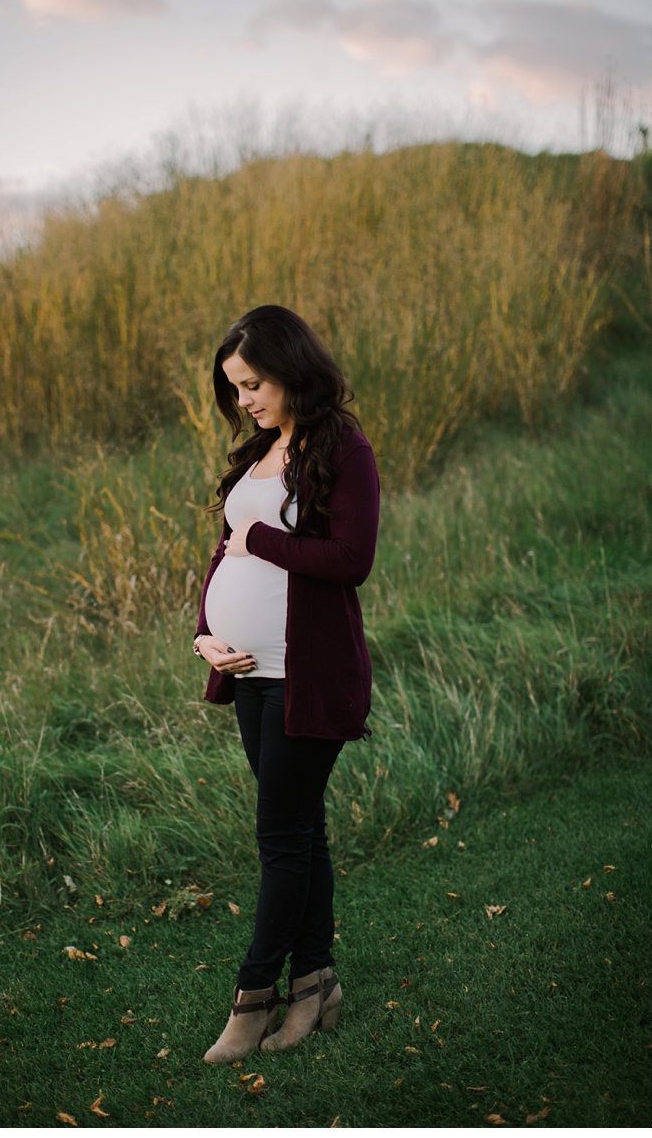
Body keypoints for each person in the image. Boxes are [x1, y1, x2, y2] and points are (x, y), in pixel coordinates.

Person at [193, 305, 380, 1063]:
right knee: (301, 832)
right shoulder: (258, 454)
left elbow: (348, 559)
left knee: (280, 840)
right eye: (236, 388)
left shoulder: (346, 449)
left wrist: (261, 538)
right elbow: (223, 555)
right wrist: (203, 635)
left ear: (292, 368)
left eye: (255, 383)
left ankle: (252, 998)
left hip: (309, 677)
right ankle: (316, 986)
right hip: (248, 677)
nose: (246, 400)